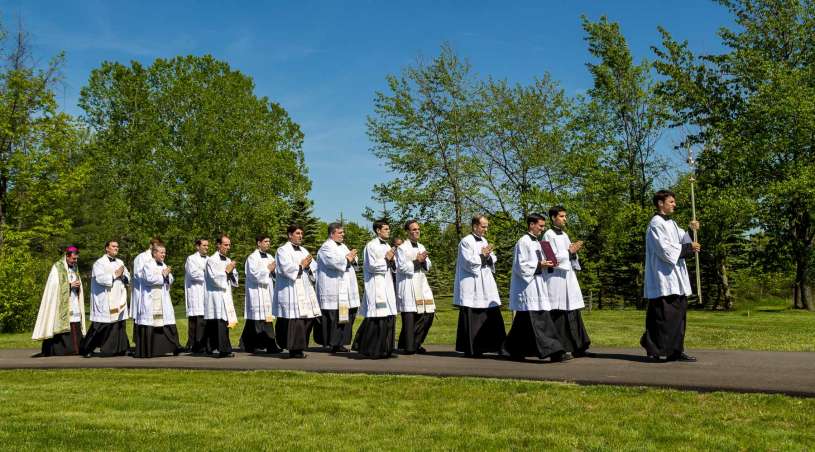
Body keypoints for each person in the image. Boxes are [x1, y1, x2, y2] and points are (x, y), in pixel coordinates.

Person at [641, 190, 701, 362]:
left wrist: (691, 230)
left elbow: (684, 239)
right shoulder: (656, 224)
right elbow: (664, 250)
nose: (674, 204)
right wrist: (688, 249)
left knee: (679, 315)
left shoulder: (672, 223)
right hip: (663, 277)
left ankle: (676, 349)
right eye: (671, 202)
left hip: (676, 277)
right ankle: (657, 349)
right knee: (663, 316)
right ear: (661, 203)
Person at [503, 213, 566, 361]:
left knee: (523, 322)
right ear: (531, 225)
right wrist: (539, 264)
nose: (542, 229)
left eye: (543, 226)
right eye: (540, 226)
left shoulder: (537, 243)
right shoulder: (523, 242)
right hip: (528, 287)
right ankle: (554, 351)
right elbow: (521, 266)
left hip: (538, 284)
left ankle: (512, 350)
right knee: (539, 320)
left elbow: (540, 261)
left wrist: (548, 263)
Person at [453, 215, 506, 357]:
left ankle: (496, 346)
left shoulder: (484, 240)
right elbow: (469, 263)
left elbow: (493, 258)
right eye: (483, 226)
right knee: (473, 315)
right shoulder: (466, 242)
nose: (486, 229)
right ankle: (473, 348)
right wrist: (482, 255)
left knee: (492, 312)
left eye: (487, 226)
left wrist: (488, 256)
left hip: (486, 282)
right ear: (475, 226)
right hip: (472, 283)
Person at [544, 206, 591, 358]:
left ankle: (579, 346)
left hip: (567, 278)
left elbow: (569, 256)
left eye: (565, 216)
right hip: (556, 279)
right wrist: (569, 252)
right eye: (562, 216)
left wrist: (573, 253)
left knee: (572, 310)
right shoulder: (548, 235)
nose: (565, 219)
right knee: (559, 313)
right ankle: (559, 349)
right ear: (553, 218)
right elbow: (551, 258)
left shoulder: (564, 234)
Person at [273, 224, 321, 358]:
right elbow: (285, 269)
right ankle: (294, 349)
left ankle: (299, 347)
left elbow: (314, 268)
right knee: (294, 321)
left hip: (304, 289)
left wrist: (308, 268)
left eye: (301, 233)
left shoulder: (304, 250)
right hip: (290, 290)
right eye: (298, 233)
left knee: (307, 320)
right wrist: (301, 266)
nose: (301, 236)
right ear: (290, 235)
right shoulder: (282, 250)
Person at [353, 219, 398, 358]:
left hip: (387, 284)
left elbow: (393, 265)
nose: (388, 231)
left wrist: (392, 260)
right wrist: (386, 259)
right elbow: (371, 266)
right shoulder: (371, 246)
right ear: (378, 230)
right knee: (377, 317)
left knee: (388, 316)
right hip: (376, 285)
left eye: (389, 229)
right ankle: (371, 349)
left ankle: (385, 349)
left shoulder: (387, 245)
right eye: (386, 229)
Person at [32, 246, 86, 356]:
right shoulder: (57, 267)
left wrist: (77, 286)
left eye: (76, 259)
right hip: (60, 303)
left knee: (75, 322)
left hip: (73, 299)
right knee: (62, 323)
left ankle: (77, 348)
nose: (75, 261)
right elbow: (53, 286)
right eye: (73, 259)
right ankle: (61, 349)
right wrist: (70, 285)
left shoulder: (75, 267)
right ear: (67, 256)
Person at [314, 223, 360, 353]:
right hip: (332, 288)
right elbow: (335, 262)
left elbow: (351, 259)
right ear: (331, 233)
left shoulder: (343, 246)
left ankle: (340, 342)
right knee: (334, 317)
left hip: (345, 288)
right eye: (340, 233)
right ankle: (332, 343)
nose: (343, 235)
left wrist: (351, 258)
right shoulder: (326, 248)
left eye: (343, 232)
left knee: (345, 315)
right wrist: (348, 258)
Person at [81, 240, 131, 357]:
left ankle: (123, 348)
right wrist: (115, 275)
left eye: (117, 247)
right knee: (100, 326)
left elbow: (127, 276)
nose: (116, 248)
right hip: (105, 299)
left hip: (118, 298)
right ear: (106, 248)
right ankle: (86, 348)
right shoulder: (99, 263)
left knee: (119, 325)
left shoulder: (120, 262)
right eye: (113, 246)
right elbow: (100, 279)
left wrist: (123, 276)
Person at [133, 244, 183, 357]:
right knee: (151, 323)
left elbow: (171, 279)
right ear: (154, 253)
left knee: (166, 322)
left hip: (162, 298)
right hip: (151, 299)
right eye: (161, 253)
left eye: (164, 253)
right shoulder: (147, 265)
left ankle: (173, 347)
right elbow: (149, 279)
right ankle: (148, 351)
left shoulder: (164, 264)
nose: (164, 255)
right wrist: (163, 275)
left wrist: (166, 276)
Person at [396, 219, 435, 354]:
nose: (417, 231)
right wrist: (417, 261)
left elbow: (428, 266)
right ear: (407, 232)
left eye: (418, 229)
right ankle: (408, 346)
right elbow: (401, 267)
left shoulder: (421, 246)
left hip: (421, 283)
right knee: (410, 317)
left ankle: (416, 342)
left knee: (428, 314)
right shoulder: (402, 248)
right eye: (413, 229)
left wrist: (423, 261)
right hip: (408, 285)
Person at [240, 234, 281, 354]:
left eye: (269, 241)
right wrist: (268, 269)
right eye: (266, 241)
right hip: (256, 293)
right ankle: (266, 345)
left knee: (267, 319)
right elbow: (254, 275)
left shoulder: (270, 256)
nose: (268, 243)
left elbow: (275, 275)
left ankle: (250, 343)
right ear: (259, 243)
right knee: (256, 320)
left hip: (267, 293)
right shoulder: (252, 258)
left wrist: (273, 272)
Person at [204, 234, 240, 358]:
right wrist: (226, 271)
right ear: (218, 245)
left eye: (229, 245)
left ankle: (221, 347)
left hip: (226, 295)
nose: (228, 247)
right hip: (216, 296)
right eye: (226, 244)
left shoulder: (228, 260)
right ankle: (220, 348)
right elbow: (214, 278)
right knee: (217, 322)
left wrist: (231, 273)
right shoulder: (211, 260)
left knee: (224, 322)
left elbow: (234, 277)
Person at [132, 237, 163, 335]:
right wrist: (154, 277)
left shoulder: (159, 259)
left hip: (157, 291)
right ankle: (141, 342)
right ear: (151, 246)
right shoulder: (141, 257)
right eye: (156, 245)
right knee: (143, 319)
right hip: (144, 292)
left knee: (157, 318)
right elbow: (138, 274)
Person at [184, 238, 209, 353]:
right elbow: (194, 274)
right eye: (204, 245)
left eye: (207, 245)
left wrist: (204, 271)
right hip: (195, 292)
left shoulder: (210, 259)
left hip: (206, 293)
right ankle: (194, 344)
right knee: (195, 320)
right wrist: (207, 273)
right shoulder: (191, 259)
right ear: (197, 246)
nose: (206, 247)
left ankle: (204, 344)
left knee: (204, 321)